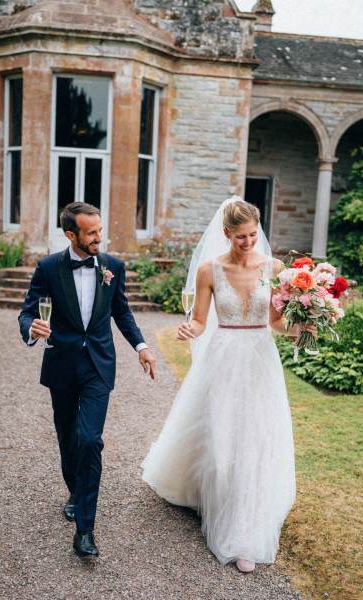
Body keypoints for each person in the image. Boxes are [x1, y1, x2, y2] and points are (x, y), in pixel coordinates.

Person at [142, 197, 315, 573]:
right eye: (240, 237)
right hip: (224, 356)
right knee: (221, 433)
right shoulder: (209, 271)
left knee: (255, 436)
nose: (249, 242)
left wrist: (303, 329)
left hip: (259, 359)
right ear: (226, 235)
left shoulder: (275, 269)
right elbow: (202, 322)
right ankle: (210, 490)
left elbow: (276, 322)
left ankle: (244, 527)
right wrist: (192, 328)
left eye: (254, 235)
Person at [19, 202, 156, 558]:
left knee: (90, 439)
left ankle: (85, 530)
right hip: (61, 364)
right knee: (67, 437)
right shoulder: (49, 267)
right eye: (92, 232)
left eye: (100, 230)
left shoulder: (112, 267)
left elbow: (121, 311)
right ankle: (75, 491)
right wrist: (31, 329)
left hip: (98, 365)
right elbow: (28, 310)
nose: (100, 237)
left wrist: (141, 345)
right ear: (71, 235)